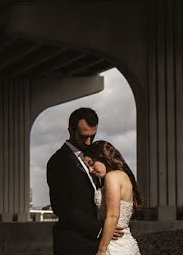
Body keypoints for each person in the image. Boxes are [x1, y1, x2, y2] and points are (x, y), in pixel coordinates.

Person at [47, 108, 123, 255]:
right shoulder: (57, 161)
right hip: (73, 243)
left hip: (100, 243)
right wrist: (100, 229)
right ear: (70, 131)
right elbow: (61, 207)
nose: (88, 142)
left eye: (92, 136)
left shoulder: (96, 155)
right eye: (83, 137)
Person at [84, 141, 142, 255]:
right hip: (124, 242)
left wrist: (101, 250)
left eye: (91, 163)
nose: (91, 170)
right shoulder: (122, 176)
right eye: (88, 167)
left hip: (113, 246)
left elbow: (113, 215)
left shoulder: (112, 177)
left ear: (102, 157)